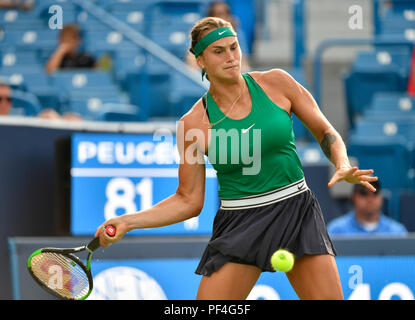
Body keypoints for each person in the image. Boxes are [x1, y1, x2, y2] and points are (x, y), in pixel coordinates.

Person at [95, 17, 378, 300]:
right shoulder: (193, 126)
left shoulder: (278, 83)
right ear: (200, 60)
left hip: (296, 210)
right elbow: (188, 200)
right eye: (219, 51)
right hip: (241, 223)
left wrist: (341, 163)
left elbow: (325, 131)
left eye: (234, 47)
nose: (231, 57)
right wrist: (128, 222)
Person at [185, 1, 251, 72]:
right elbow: (192, 64)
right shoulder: (198, 35)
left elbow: (244, 64)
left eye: (226, 14)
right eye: (218, 15)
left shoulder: (237, 33)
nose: (222, 19)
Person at [327, 181, 407, 237]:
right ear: (353, 198)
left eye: (375, 192)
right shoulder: (336, 230)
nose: (370, 198)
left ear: (381, 197)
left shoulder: (397, 231)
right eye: (363, 193)